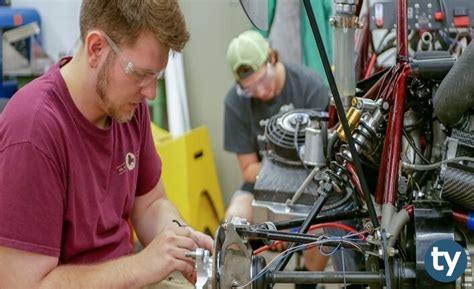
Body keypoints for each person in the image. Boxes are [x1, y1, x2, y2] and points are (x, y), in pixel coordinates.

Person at [0, 1, 212, 288]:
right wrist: (141, 265)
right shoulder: (34, 128)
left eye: (156, 76)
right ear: (96, 48)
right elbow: (24, 285)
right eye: (140, 74)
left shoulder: (126, 107)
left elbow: (150, 204)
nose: (150, 92)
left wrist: (179, 241)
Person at [223, 30, 330, 287]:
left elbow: (324, 162)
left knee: (322, 229)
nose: (259, 92)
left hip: (309, 185)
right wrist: (273, 221)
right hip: (261, 187)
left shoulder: (310, 87)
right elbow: (248, 170)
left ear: (272, 58)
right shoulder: (235, 102)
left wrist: (288, 225)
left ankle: (306, 280)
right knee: (233, 222)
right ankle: (238, 282)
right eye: (250, 89)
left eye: (262, 81)